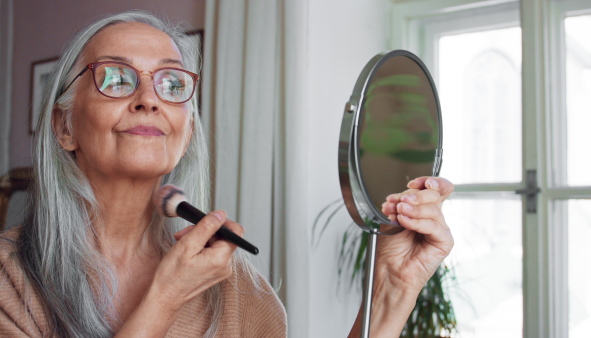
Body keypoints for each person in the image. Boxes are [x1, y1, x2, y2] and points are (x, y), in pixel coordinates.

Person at [0, 10, 454, 337]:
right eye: (116, 78)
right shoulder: (9, 280)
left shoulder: (234, 286)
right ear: (63, 126)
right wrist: (165, 299)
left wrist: (390, 294)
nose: (148, 98)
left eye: (172, 83)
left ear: (187, 129)